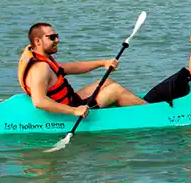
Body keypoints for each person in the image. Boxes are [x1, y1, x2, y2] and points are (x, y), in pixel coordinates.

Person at [18, 23, 146, 118]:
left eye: (56, 36)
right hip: (67, 109)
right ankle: (154, 112)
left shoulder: (41, 57)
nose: (57, 40)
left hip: (70, 99)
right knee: (115, 90)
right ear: (38, 41)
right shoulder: (40, 68)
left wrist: (103, 63)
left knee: (107, 81)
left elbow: (71, 68)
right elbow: (39, 102)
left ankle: (141, 105)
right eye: (52, 37)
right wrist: (74, 111)